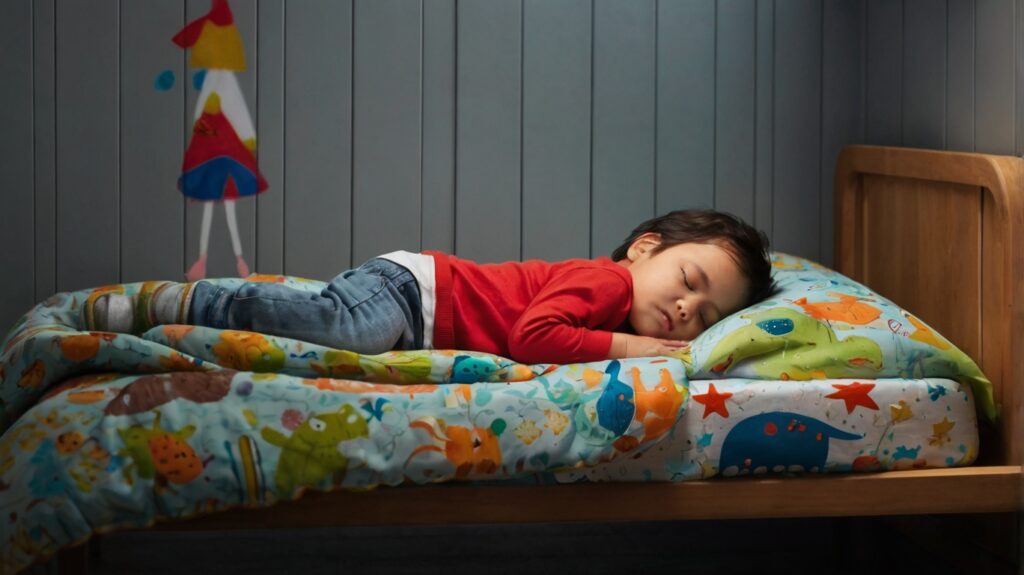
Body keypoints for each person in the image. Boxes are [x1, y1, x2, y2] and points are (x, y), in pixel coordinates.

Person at [83, 210, 775, 365]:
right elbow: (529, 338)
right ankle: (183, 301)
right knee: (346, 330)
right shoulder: (606, 283)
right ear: (643, 249)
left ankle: (208, 308)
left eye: (706, 315)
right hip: (412, 292)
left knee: (336, 327)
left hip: (414, 307)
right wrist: (638, 349)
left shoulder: (615, 293)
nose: (687, 310)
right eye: (689, 282)